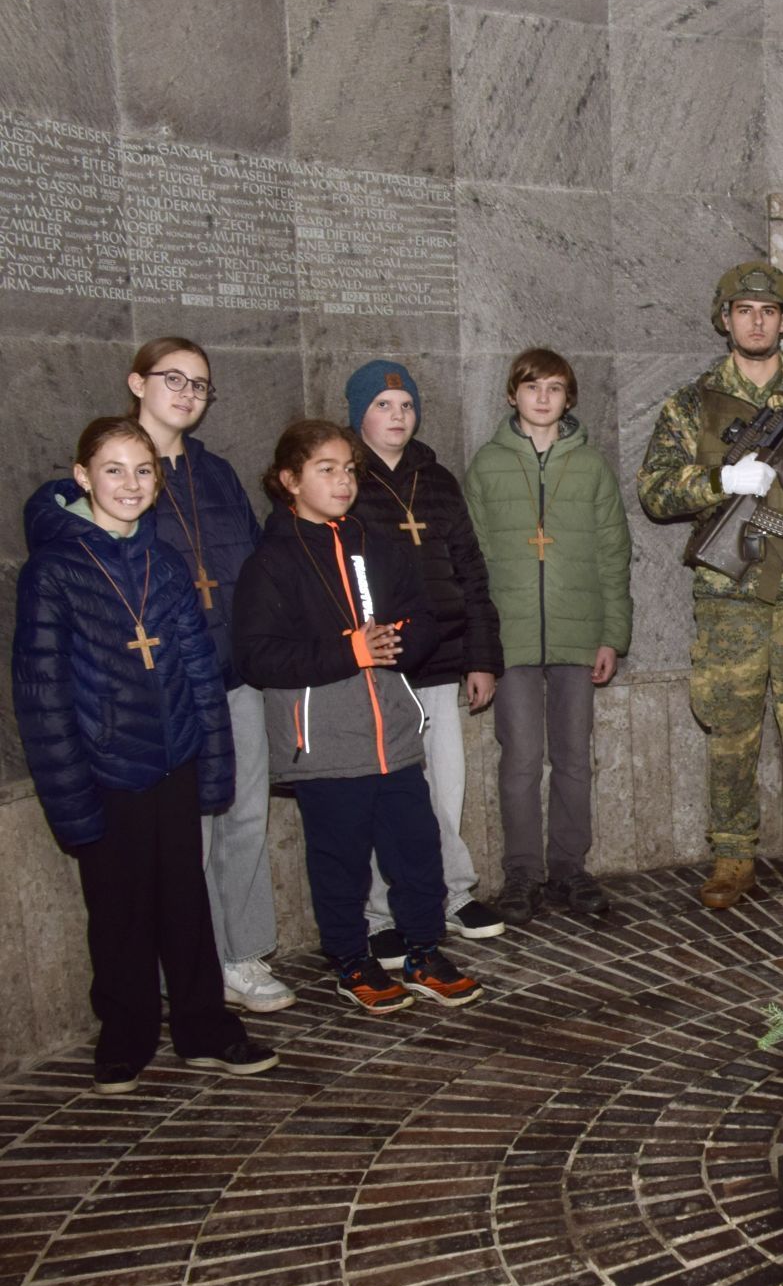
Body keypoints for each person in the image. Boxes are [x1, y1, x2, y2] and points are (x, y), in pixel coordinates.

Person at [14, 416, 278, 1091]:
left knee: (186, 901)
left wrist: (212, 765)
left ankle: (202, 1025)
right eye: (113, 470)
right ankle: (125, 1033)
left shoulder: (164, 560)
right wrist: (70, 796)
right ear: (82, 477)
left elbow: (199, 671)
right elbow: (43, 693)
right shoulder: (53, 570)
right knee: (119, 910)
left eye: (143, 471)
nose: (130, 484)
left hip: (175, 760)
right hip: (106, 768)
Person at [639, 262, 783, 909]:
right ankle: (733, 853)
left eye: (769, 311)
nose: (757, 321)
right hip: (728, 592)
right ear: (725, 318)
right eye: (744, 310)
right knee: (731, 723)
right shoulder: (692, 403)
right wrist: (723, 484)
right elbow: (655, 490)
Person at [234, 418, 480, 1014]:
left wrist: (401, 641)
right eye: (326, 470)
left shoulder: (376, 544)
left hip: (393, 735)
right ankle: (351, 961)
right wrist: (353, 651)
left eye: (348, 470)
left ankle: (424, 951)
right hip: (325, 744)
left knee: (417, 851)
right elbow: (258, 656)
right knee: (340, 863)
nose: (343, 481)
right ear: (290, 480)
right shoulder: (272, 561)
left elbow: (422, 617)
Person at [123, 338, 291, 1014]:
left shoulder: (215, 472)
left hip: (235, 673)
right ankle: (191, 962)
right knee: (189, 830)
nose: (188, 394)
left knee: (245, 815)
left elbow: (254, 564)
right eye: (174, 379)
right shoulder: (122, 467)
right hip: (170, 683)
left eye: (199, 384)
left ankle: (241, 953)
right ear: (138, 383)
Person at [344, 359, 506, 968]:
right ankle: (381, 914)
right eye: (383, 406)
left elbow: (470, 571)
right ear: (359, 414)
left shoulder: (436, 479)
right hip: (381, 666)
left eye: (407, 406)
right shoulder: (346, 477)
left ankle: (450, 893)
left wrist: (481, 657)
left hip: (441, 660)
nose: (398, 416)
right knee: (385, 795)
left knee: (446, 786)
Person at [466, 349, 634, 922]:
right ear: (512, 395)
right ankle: (522, 872)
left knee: (572, 757)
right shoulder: (488, 465)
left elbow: (613, 554)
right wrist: (478, 646)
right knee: (520, 757)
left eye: (555, 388)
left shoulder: (590, 467)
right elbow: (472, 560)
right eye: (532, 386)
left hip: (577, 633)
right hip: (510, 637)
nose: (543, 398)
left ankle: (568, 867)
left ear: (569, 399)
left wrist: (611, 635)